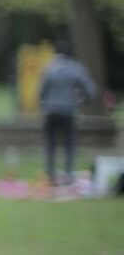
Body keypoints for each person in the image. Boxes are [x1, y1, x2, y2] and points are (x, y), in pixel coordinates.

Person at [39, 38, 98, 184]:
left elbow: (41, 93)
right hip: (68, 111)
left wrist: (45, 105)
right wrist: (83, 100)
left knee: (50, 144)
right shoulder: (76, 68)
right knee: (69, 144)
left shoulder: (49, 68)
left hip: (51, 111)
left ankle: (50, 174)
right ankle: (68, 174)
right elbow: (91, 91)